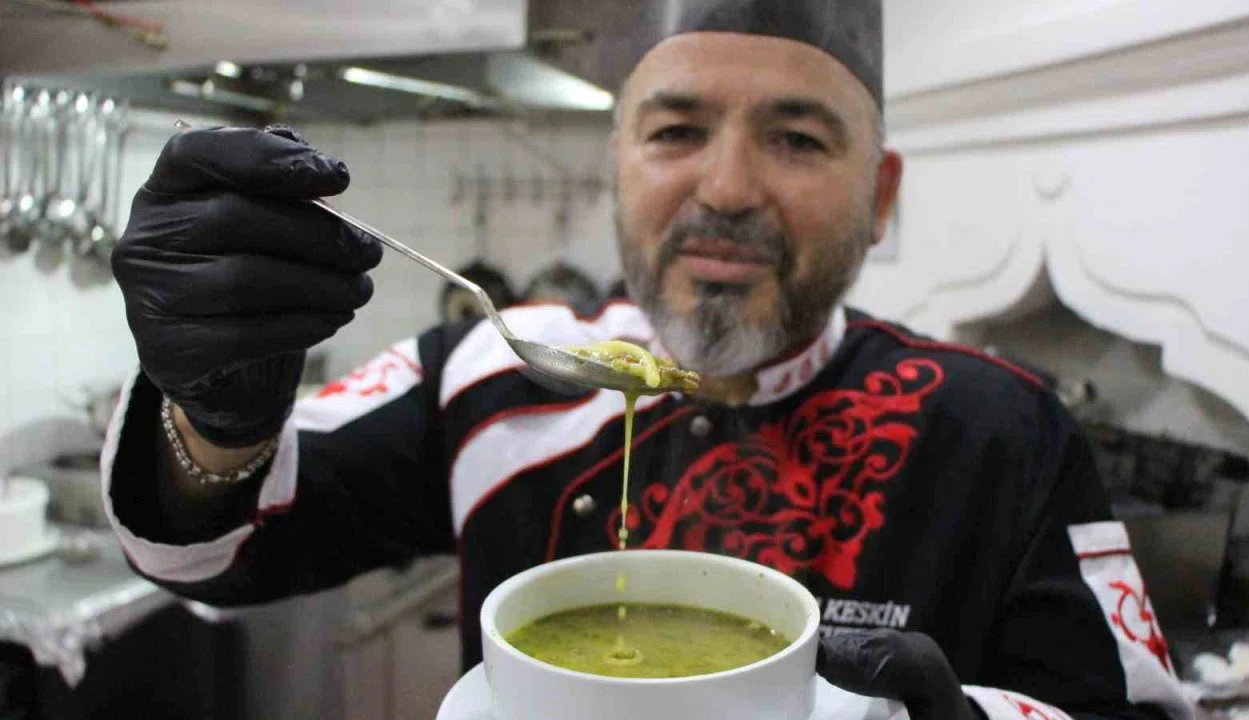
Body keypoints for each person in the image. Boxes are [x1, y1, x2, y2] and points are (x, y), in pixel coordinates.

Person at [103, 1, 1193, 718]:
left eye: (798, 138)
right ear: (617, 163)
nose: (726, 188)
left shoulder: (1001, 431)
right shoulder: (490, 374)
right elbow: (208, 557)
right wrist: (214, 415)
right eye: (675, 131)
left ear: (881, 195)